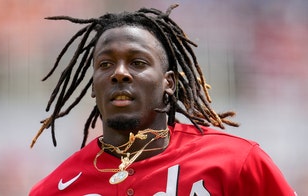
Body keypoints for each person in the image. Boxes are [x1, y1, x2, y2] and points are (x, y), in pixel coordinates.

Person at [29, 5, 296, 196]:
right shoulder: (54, 189)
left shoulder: (236, 163)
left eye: (137, 62)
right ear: (93, 85)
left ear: (168, 82)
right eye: (106, 64)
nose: (119, 73)